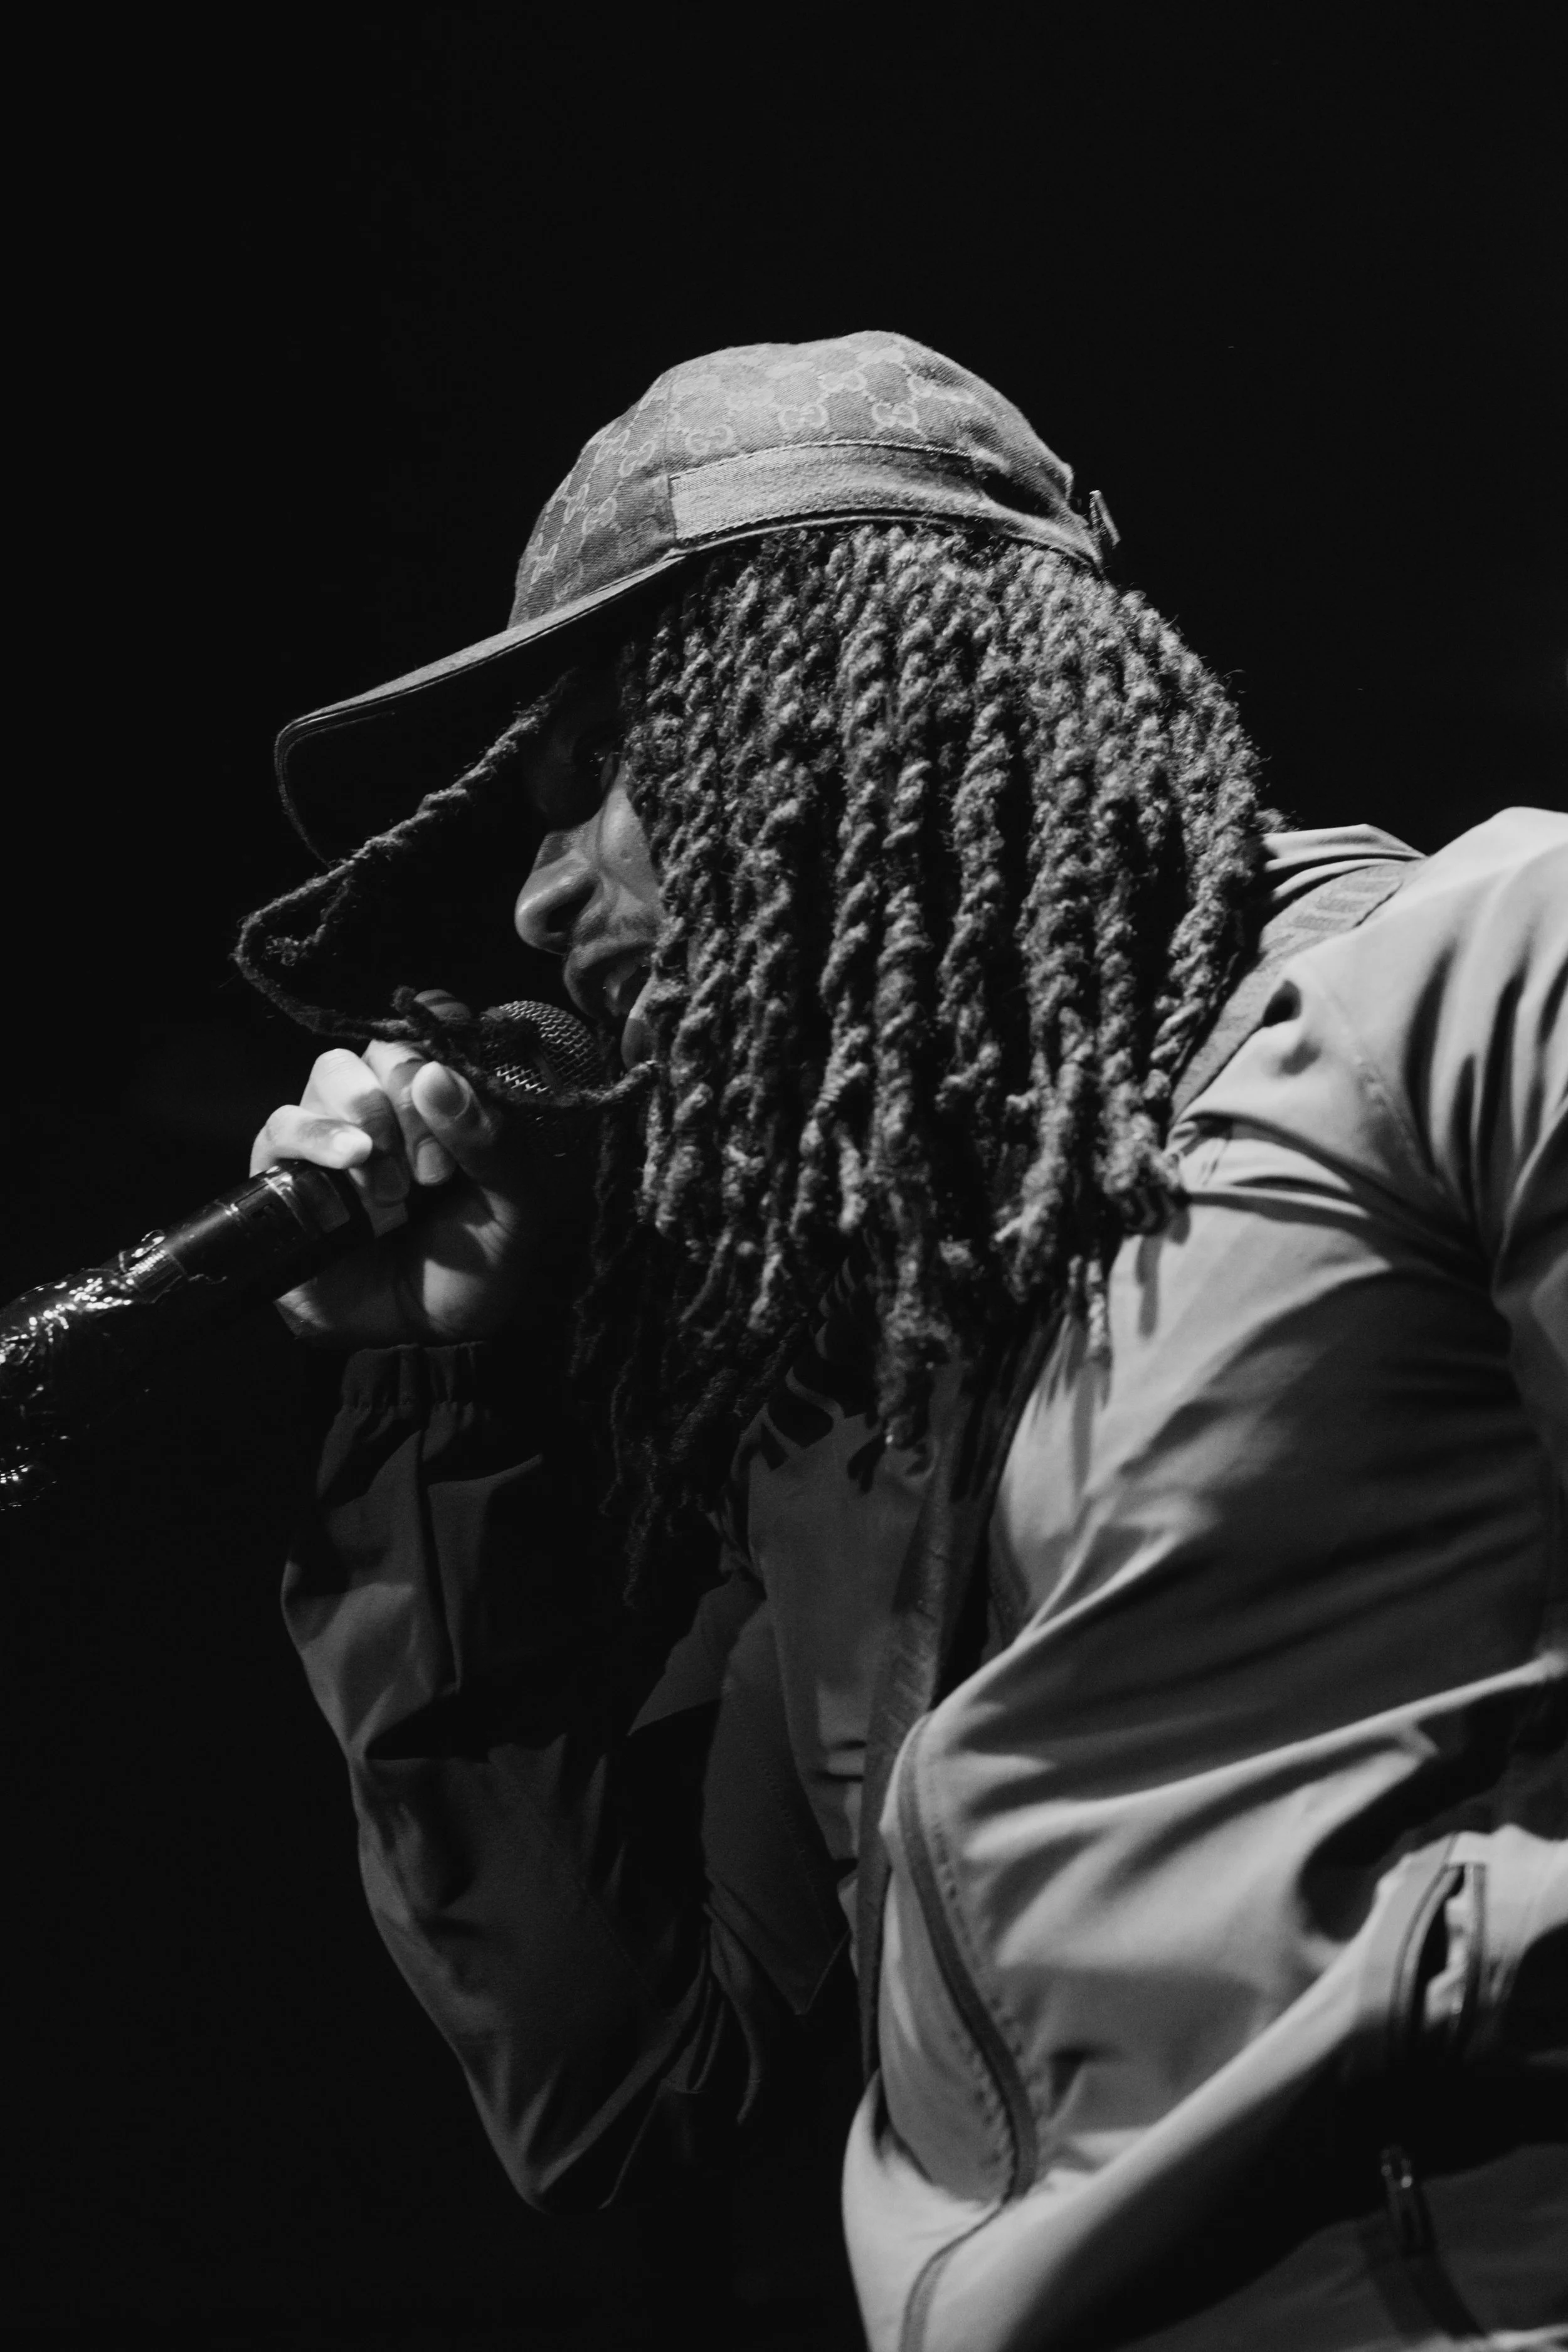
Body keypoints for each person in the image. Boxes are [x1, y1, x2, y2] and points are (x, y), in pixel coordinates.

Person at [236, 332, 1566, 2351]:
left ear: (859, 703)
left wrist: (1447, 1989)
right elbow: (623, 2084)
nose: (529, 903)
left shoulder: (1471, 982)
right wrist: (438, 1389)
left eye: (601, 769)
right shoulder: (866, 1386)